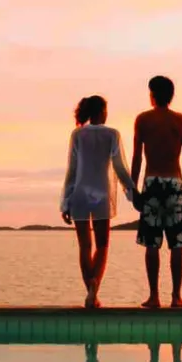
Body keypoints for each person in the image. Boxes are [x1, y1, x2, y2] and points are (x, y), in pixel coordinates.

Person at [59, 95, 136, 308]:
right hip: (102, 193)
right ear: (101, 111)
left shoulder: (77, 135)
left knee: (85, 246)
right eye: (106, 109)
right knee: (102, 245)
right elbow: (120, 167)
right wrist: (131, 191)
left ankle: (90, 292)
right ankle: (95, 288)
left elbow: (72, 170)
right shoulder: (112, 134)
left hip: (80, 195)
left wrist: (65, 202)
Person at [130, 74, 182, 309]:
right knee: (177, 243)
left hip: (152, 183)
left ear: (152, 95)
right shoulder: (181, 121)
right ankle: (176, 297)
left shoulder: (143, 120)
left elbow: (137, 156)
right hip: (175, 182)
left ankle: (154, 296)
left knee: (152, 243)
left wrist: (133, 188)